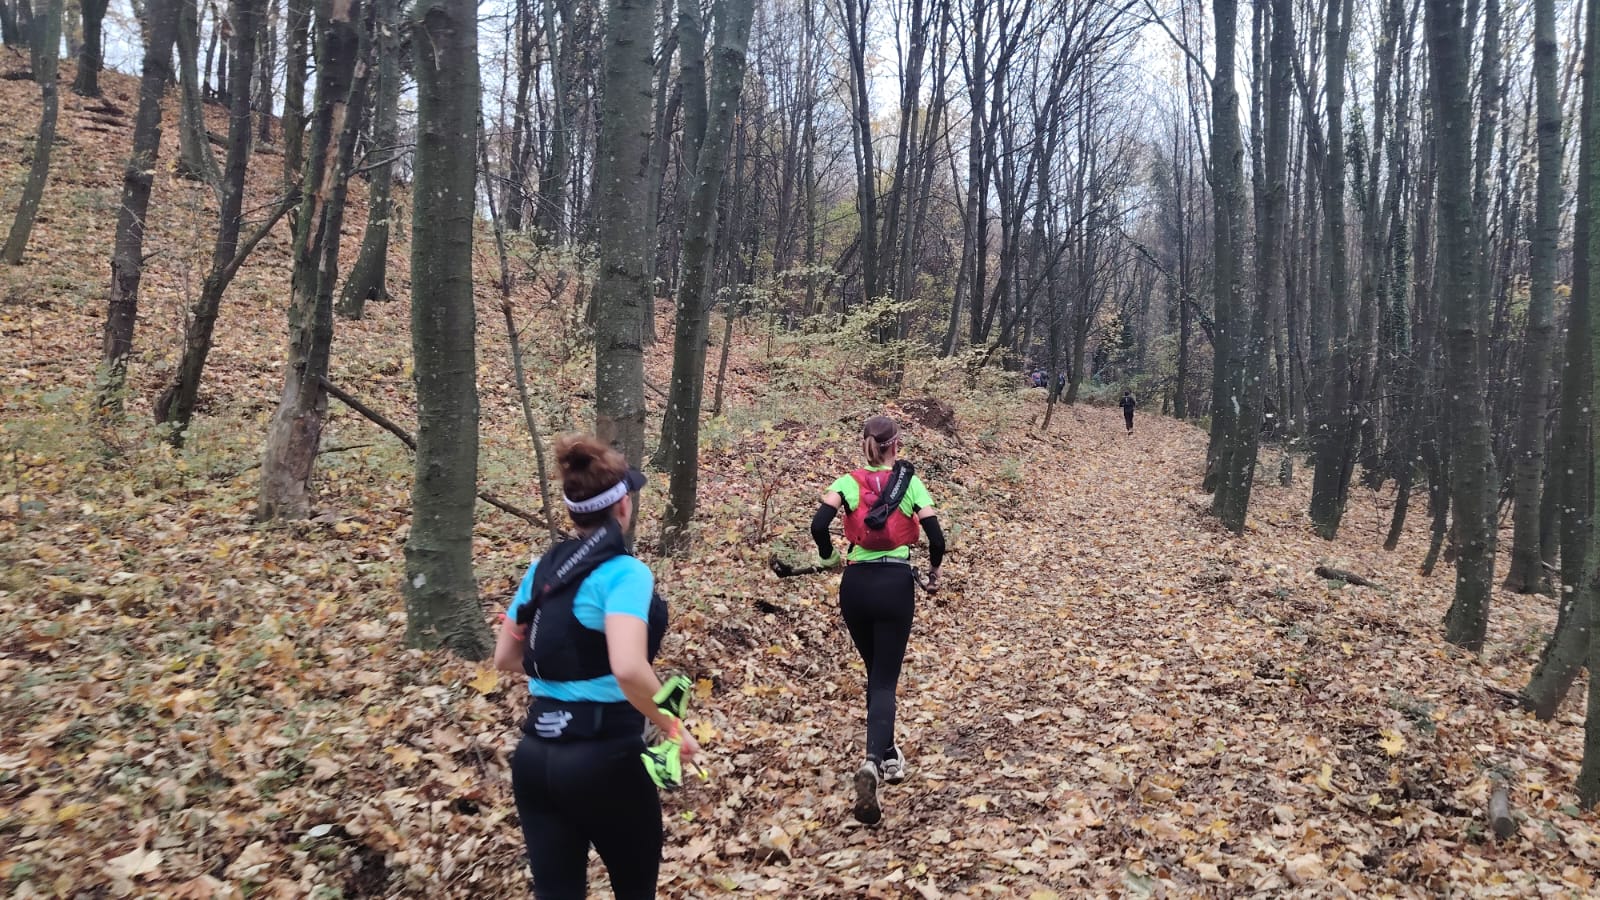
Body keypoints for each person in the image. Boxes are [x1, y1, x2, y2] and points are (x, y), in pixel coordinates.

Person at [494, 435, 700, 900]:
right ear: (623, 505)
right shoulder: (626, 573)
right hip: (605, 757)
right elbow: (628, 667)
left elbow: (504, 657)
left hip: (535, 759)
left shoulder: (542, 569)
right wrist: (672, 727)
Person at [810, 415, 945, 825]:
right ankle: (872, 761)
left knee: (876, 674)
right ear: (896, 445)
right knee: (884, 680)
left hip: (855, 586)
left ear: (866, 444)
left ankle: (888, 755)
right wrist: (934, 572)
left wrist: (829, 556)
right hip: (894, 585)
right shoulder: (911, 485)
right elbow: (937, 538)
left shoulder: (847, 482)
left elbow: (819, 525)